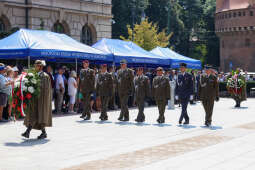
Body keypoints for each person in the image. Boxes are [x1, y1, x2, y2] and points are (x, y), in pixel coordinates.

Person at [22, 60, 52, 139]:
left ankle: (28, 132)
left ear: (41, 67)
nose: (35, 67)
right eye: (35, 65)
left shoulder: (45, 76)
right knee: (34, 115)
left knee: (38, 116)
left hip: (41, 100)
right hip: (34, 99)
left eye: (37, 65)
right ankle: (35, 132)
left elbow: (45, 89)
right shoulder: (33, 75)